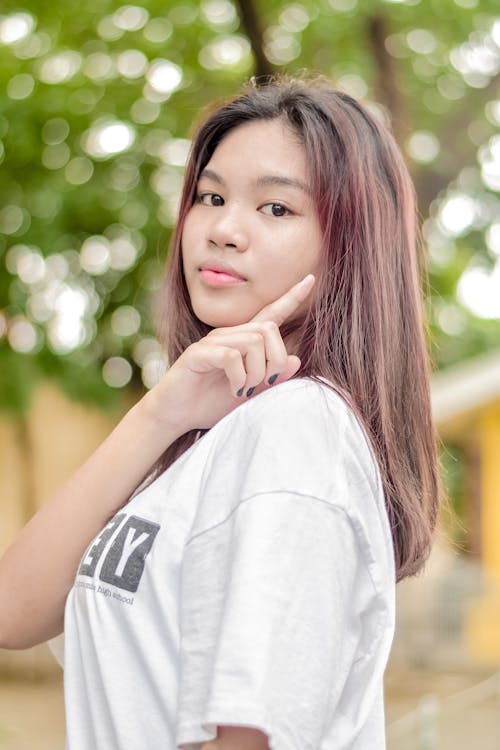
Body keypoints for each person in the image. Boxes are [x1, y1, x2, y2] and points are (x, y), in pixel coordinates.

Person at [0, 76, 441, 749]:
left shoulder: (297, 432)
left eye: (276, 209)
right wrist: (160, 413)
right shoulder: (210, 437)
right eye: (211, 197)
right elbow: (11, 612)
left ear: (350, 246)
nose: (223, 229)